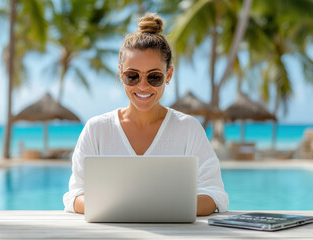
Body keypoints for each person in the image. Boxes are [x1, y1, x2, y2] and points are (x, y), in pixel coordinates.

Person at [63, 13, 229, 216]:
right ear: (121, 73)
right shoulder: (97, 129)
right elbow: (75, 195)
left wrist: (146, 208)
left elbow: (214, 196)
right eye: (132, 76)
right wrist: (139, 208)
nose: (143, 86)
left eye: (154, 77)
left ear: (168, 75)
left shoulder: (188, 129)